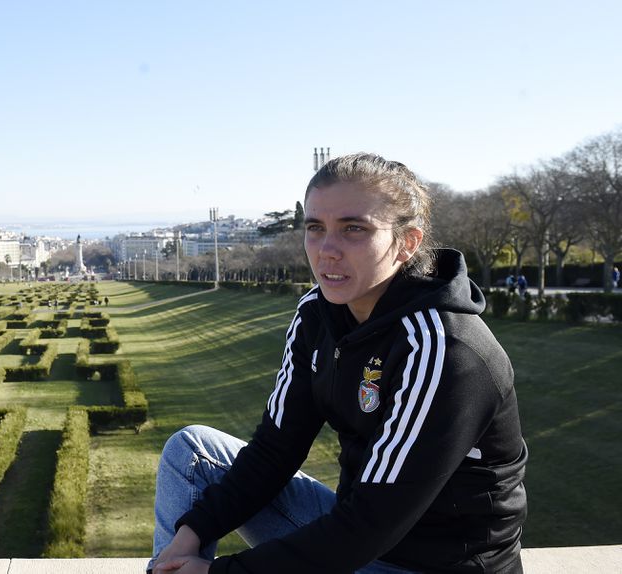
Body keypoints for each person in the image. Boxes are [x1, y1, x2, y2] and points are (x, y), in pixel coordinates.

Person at [150, 153, 527, 574]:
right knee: (192, 452)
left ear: (408, 243)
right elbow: (276, 449)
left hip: (431, 564)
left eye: (354, 229)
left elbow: (370, 524)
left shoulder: (442, 347)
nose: (327, 250)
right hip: (360, 537)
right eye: (315, 228)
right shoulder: (318, 312)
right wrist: (192, 533)